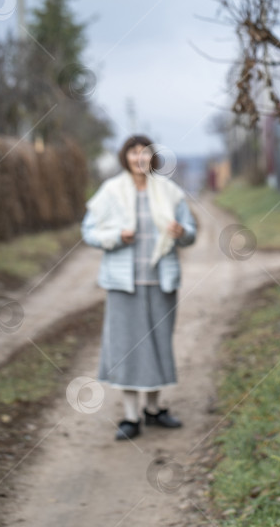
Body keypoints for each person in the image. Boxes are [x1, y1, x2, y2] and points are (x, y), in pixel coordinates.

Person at [82, 135, 197, 441]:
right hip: (123, 285)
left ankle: (154, 409)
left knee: (158, 345)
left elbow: (191, 234)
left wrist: (181, 232)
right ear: (125, 157)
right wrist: (117, 237)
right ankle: (131, 417)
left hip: (161, 282)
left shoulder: (170, 192)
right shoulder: (110, 191)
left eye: (144, 153)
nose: (139, 158)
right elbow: (89, 232)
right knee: (126, 350)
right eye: (133, 153)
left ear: (152, 158)